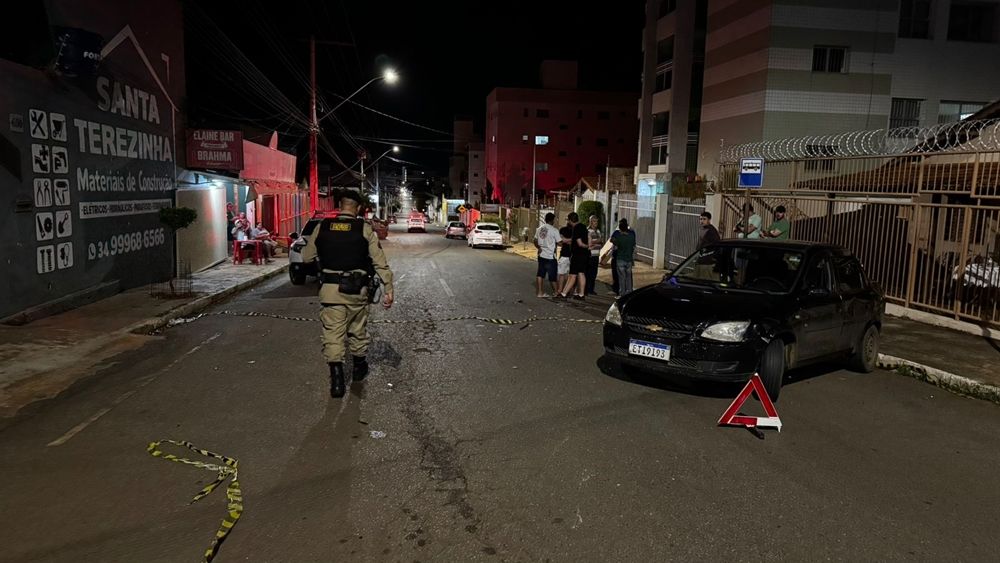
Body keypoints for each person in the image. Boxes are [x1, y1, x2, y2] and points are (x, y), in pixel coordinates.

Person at [301, 190, 394, 398]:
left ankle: (337, 382)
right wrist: (389, 288)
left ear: (339, 205)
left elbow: (306, 257)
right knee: (357, 330)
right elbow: (379, 261)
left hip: (330, 292)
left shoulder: (322, 227)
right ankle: (359, 369)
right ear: (358, 208)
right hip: (356, 291)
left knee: (333, 335)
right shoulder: (364, 229)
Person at [557, 212, 589, 299]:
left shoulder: (576, 228)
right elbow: (587, 239)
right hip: (584, 254)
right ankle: (581, 294)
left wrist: (584, 245)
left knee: (572, 275)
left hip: (577, 254)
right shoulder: (583, 227)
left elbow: (579, 243)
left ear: (571, 220)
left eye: (568, 219)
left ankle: (563, 293)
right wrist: (587, 246)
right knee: (581, 273)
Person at [533, 212, 560, 297]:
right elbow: (560, 242)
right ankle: (556, 292)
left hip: (541, 255)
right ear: (552, 220)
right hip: (550, 257)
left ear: (545, 220)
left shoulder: (539, 229)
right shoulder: (554, 230)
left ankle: (540, 292)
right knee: (553, 276)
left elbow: (535, 240)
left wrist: (539, 248)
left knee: (540, 274)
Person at [610, 219, 636, 295]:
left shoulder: (618, 236)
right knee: (629, 277)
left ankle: (622, 294)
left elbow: (614, 242)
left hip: (620, 258)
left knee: (621, 278)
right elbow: (634, 244)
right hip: (629, 259)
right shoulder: (632, 235)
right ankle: (629, 292)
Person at [585, 215, 603, 295]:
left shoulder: (598, 231)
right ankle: (586, 289)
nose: (596, 223)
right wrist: (597, 241)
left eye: (597, 221)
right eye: (595, 221)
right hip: (590, 255)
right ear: (591, 221)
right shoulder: (588, 231)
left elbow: (601, 243)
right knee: (588, 273)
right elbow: (589, 242)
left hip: (596, 255)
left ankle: (591, 289)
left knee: (594, 273)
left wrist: (595, 243)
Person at [556, 224, 573, 294]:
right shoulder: (563, 229)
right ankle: (565, 290)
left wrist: (565, 240)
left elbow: (562, 241)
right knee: (565, 274)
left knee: (564, 274)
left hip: (568, 255)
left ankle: (562, 290)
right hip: (567, 255)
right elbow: (560, 241)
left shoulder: (574, 229)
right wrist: (572, 240)